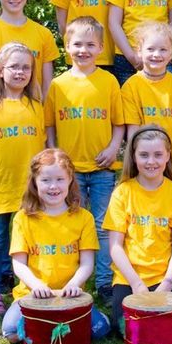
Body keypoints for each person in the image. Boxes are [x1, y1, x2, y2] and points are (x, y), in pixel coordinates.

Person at [44, 16, 125, 301]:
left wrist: (114, 148)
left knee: (103, 225)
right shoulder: (58, 85)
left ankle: (104, 282)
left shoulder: (109, 81)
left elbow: (119, 124)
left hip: (102, 167)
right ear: (66, 46)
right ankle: (70, 279)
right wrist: (56, 155)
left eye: (91, 45)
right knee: (70, 224)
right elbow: (50, 124)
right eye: (77, 44)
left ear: (101, 47)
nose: (83, 50)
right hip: (69, 172)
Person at [0, 148, 110, 343]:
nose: (53, 186)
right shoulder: (23, 218)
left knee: (100, 330)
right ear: (34, 182)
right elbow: (19, 264)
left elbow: (87, 263)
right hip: (32, 295)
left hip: (70, 295)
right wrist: (36, 285)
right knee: (10, 332)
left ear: (70, 180)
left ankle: (46, 327)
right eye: (46, 180)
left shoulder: (84, 218)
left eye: (60, 179)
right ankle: (51, 326)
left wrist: (75, 284)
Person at [0, 42, 46, 317]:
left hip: (31, 188)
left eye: (26, 67)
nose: (20, 72)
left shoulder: (37, 107)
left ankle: (25, 288)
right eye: (14, 67)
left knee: (30, 239)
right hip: (2, 186)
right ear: (1, 71)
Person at [103, 126, 172, 333]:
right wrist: (136, 284)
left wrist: (168, 283)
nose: (151, 161)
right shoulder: (122, 193)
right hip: (131, 277)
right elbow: (115, 247)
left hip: (167, 277)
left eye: (158, 155)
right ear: (134, 157)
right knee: (124, 327)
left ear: (168, 156)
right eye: (143, 155)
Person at [121, 21, 172, 191]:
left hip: (171, 164)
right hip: (143, 164)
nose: (156, 55)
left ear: (171, 54)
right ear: (139, 50)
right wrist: (134, 164)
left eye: (163, 50)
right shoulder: (131, 86)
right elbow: (133, 131)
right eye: (150, 49)